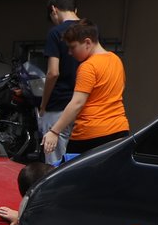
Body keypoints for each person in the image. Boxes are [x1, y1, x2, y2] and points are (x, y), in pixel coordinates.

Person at [42, 20, 130, 160]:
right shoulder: (116, 60)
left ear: (88, 43)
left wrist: (54, 131)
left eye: (72, 47)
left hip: (90, 134)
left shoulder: (88, 67)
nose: (70, 53)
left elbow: (77, 103)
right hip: (119, 130)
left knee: (72, 177)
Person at [37, 0, 79, 163]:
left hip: (59, 105)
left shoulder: (55, 33)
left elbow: (53, 72)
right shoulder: (92, 32)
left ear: (54, 10)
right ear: (75, 8)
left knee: (55, 162)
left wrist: (43, 105)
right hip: (83, 105)